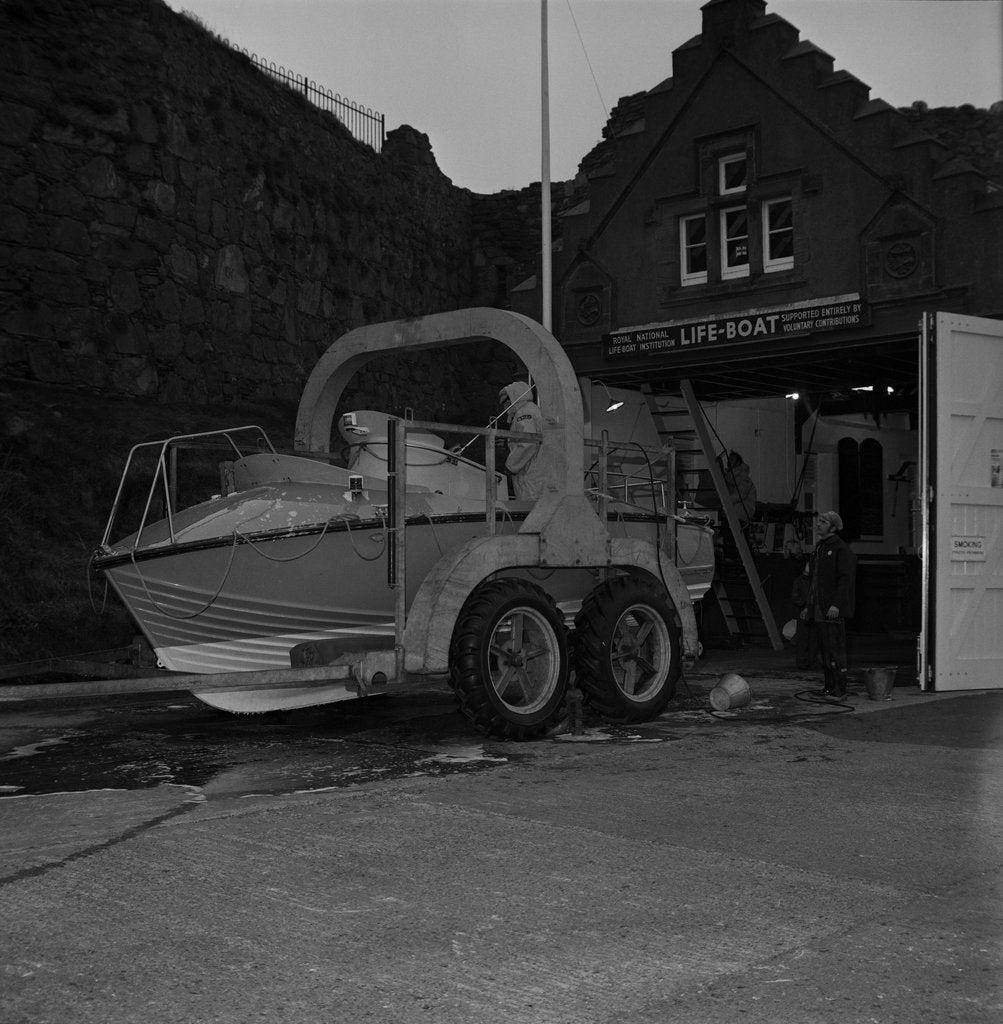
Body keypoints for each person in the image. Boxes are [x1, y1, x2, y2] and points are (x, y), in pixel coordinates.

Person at [800, 510, 856, 698]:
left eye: (823, 522)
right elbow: (814, 581)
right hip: (818, 607)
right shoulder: (819, 549)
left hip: (831, 608)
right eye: (819, 521)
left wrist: (836, 605)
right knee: (824, 650)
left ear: (833, 526)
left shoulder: (840, 549)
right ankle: (829, 686)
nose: (818, 525)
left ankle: (839, 688)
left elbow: (845, 579)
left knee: (835, 649)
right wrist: (809, 605)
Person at [499, 381, 545, 501]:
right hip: (536, 470)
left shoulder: (524, 413)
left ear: (514, 397)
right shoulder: (532, 410)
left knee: (529, 508)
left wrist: (511, 466)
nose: (505, 406)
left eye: (505, 401)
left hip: (531, 474)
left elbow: (527, 443)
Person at [790, 559, 817, 669]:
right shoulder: (799, 581)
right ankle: (802, 663)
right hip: (803, 613)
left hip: (813, 612)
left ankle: (812, 662)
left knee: (813, 638)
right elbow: (795, 596)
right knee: (803, 639)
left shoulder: (814, 581)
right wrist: (804, 607)